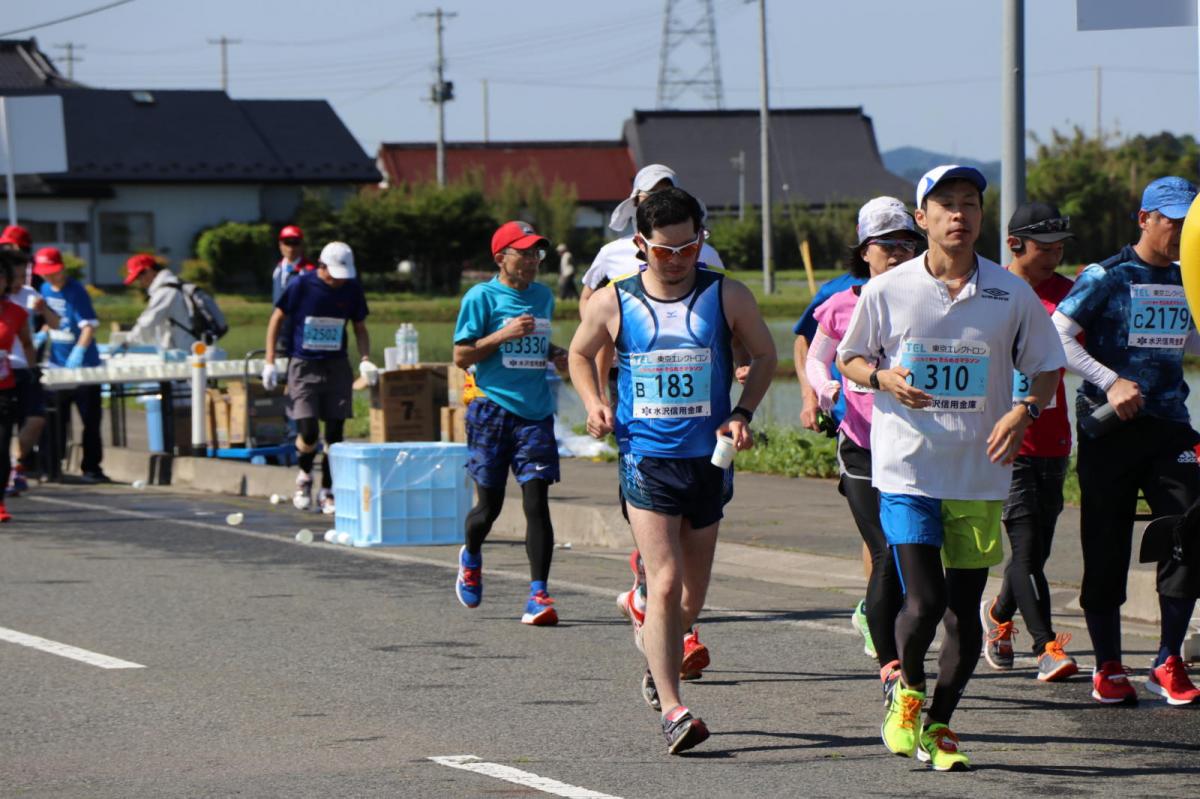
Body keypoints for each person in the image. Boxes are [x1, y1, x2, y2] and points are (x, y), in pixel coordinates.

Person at [837, 166, 1065, 771]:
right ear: (923, 219)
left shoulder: (1008, 292)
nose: (959, 215)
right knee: (927, 598)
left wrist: (1025, 410)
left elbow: (1046, 365)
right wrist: (882, 377)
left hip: (980, 473)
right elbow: (850, 359)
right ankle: (905, 692)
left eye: (970, 204)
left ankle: (940, 724)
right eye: (946, 205)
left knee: (965, 611)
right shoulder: (888, 290)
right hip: (908, 468)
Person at [569, 187, 777, 754]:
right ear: (641, 246)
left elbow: (765, 355)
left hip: (709, 459)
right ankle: (674, 707)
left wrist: (741, 411)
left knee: (690, 599)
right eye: (666, 251)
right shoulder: (614, 301)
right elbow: (579, 354)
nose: (680, 258)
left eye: (689, 246)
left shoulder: (726, 295)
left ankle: (655, 644)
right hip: (646, 459)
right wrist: (593, 402)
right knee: (664, 582)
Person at [1052, 176, 1200, 706]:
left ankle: (1167, 659)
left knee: (1192, 528)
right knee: (1105, 541)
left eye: (1189, 224)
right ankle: (1108, 663)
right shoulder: (1106, 276)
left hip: (1170, 426)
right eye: (1172, 222)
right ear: (1144, 219)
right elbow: (1058, 335)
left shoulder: (1191, 278)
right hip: (1110, 427)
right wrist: (1111, 380)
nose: (1180, 232)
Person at [805, 196, 920, 684]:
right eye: (884, 244)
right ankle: (892, 664)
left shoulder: (928, 298)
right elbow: (814, 357)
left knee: (912, 554)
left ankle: (893, 633)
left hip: (917, 446)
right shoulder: (840, 303)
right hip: (862, 444)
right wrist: (825, 386)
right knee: (885, 549)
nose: (896, 253)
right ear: (864, 251)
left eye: (905, 243)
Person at [979, 202, 1079, 683]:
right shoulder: (990, 290)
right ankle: (1046, 647)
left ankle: (998, 615)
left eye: (1061, 247)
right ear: (1014, 244)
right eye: (1045, 248)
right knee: (1023, 547)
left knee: (1036, 552)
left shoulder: (1070, 293)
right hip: (1005, 439)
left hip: (1054, 437)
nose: (1054, 257)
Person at [451, 221, 569, 626]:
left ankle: (538, 594)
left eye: (538, 253)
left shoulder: (543, 296)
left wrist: (555, 352)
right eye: (525, 253)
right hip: (491, 408)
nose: (534, 260)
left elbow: (533, 342)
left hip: (535, 412)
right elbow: (462, 356)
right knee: (491, 507)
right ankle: (470, 555)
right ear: (502, 258)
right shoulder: (481, 297)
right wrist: (503, 334)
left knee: (537, 501)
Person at [263, 241, 372, 515]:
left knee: (335, 434)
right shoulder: (301, 285)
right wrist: (269, 361)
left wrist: (366, 359)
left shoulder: (352, 289)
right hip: (304, 366)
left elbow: (359, 327)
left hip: (336, 366)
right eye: (333, 274)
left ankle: (328, 489)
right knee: (309, 430)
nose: (338, 281)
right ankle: (304, 476)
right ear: (322, 267)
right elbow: (277, 318)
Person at [37, 247, 108, 483]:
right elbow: (53, 321)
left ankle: (91, 468)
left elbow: (88, 325)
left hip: (84, 367)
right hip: (57, 365)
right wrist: (42, 333)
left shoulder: (76, 291)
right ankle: (52, 465)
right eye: (45, 273)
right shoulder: (44, 289)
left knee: (90, 420)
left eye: (52, 272)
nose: (49, 277)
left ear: (61, 268)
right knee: (56, 419)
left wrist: (79, 351)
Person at [0, 226, 58, 493]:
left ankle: (16, 465)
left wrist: (43, 309)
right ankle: (10, 471)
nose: (22, 277)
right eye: (17, 272)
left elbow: (54, 324)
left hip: (24, 367)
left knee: (36, 419)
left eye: (26, 273)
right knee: (5, 428)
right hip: (5, 369)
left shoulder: (30, 296)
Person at [0, 251, 33, 520]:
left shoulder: (16, 312)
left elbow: (28, 343)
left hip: (4, 387)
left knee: (1, 446)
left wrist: (32, 369)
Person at [122, 254, 197, 351]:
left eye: (139, 277)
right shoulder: (173, 284)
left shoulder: (165, 291)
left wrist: (126, 344)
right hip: (190, 346)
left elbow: (147, 323)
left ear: (148, 270)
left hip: (187, 351)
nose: (140, 282)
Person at [272, 225, 316, 358]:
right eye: (287, 242)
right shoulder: (278, 269)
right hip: (280, 332)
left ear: (301, 245)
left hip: (301, 333)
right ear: (280, 244)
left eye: (295, 243)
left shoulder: (309, 271)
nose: (291, 247)